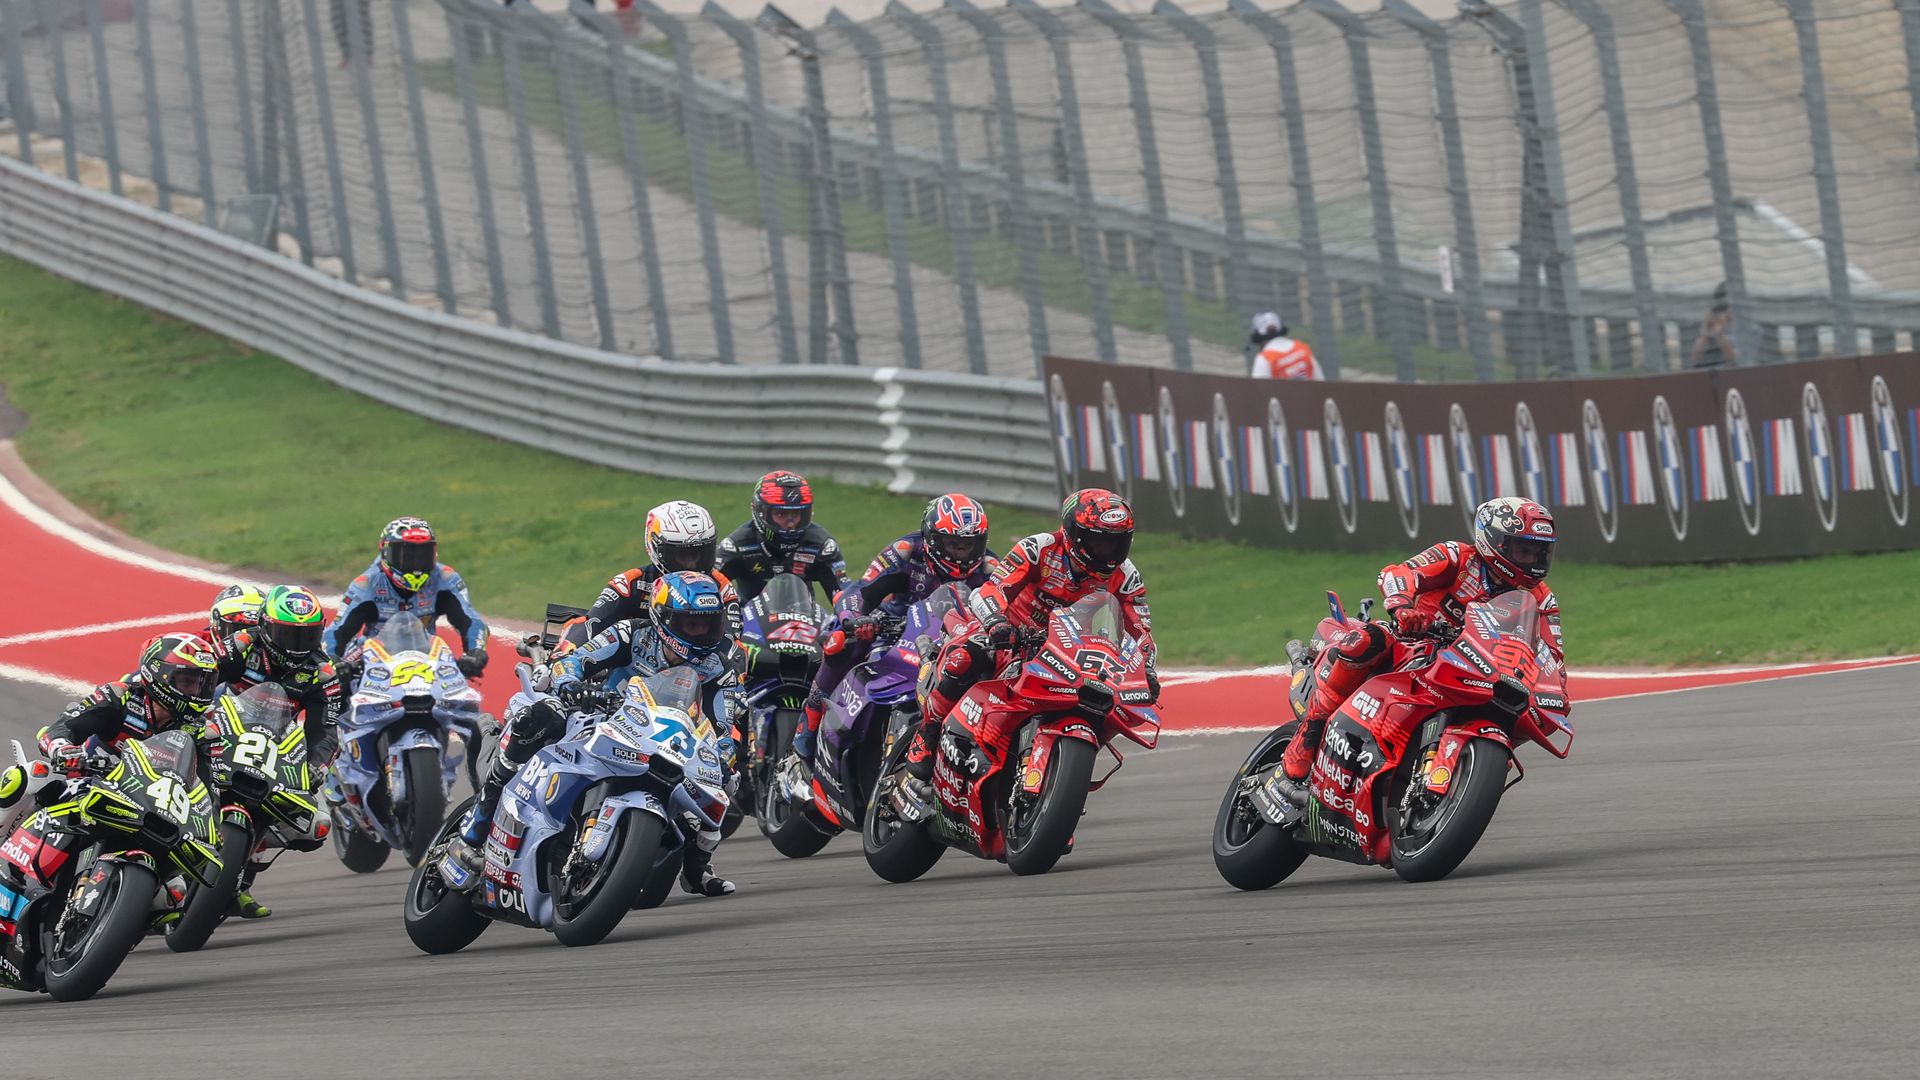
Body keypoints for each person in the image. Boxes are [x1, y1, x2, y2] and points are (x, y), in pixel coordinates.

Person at [451, 571, 742, 898]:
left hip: (664, 742)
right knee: (539, 716)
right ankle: (473, 832)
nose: (703, 633)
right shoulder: (632, 634)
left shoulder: (719, 670)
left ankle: (697, 868)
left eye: (709, 624)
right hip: (601, 718)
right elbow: (573, 662)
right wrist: (573, 685)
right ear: (665, 619)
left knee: (725, 785)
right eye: (692, 624)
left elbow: (722, 728)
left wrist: (723, 758)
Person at [1271, 496, 1565, 807]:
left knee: (1518, 712)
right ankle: (1305, 745)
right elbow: (1398, 574)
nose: (1532, 559)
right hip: (1415, 645)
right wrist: (1402, 608)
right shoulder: (1458, 557)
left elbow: (1551, 656)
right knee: (1368, 640)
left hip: (1479, 670)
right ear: (1493, 542)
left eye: (1540, 551)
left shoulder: (1543, 601)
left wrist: (1555, 691)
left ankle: (1452, 779)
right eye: (1524, 549)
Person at [903, 489, 1158, 799]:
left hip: (1071, 652)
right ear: (1074, 534)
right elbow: (989, 591)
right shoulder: (1039, 549)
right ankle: (927, 736)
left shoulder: (1127, 576)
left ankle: (1058, 785)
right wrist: (996, 623)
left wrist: (1147, 668)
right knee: (964, 658)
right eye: (1100, 541)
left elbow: (1141, 631)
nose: (1108, 551)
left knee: (1111, 704)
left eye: (1117, 542)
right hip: (1009, 637)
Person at [792, 493, 994, 764]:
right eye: (953, 544)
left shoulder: (992, 568)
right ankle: (811, 718)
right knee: (843, 641)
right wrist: (854, 618)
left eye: (968, 546)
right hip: (894, 630)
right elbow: (862, 589)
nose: (960, 553)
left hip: (955, 645)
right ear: (932, 539)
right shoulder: (905, 551)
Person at [206, 585, 343, 919]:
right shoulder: (242, 644)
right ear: (265, 626)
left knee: (314, 825)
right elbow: (201, 679)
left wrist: (314, 767)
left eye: (305, 636)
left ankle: (240, 880)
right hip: (218, 726)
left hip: (276, 741)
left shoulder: (323, 672)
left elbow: (326, 729)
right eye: (287, 634)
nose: (296, 646)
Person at [325, 517, 489, 676]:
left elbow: (470, 619)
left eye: (423, 556)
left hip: (427, 658)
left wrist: (475, 651)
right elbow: (338, 631)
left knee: (464, 697)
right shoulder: (366, 584)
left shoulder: (446, 578)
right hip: (371, 661)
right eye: (407, 556)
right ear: (386, 553)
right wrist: (333, 661)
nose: (416, 564)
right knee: (337, 684)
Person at [37, 633, 222, 767]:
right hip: (85, 783)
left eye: (204, 684)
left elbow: (209, 794)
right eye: (188, 682)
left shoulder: (203, 732)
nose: (198, 692)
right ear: (159, 673)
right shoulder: (120, 696)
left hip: (148, 810)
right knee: (27, 776)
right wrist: (61, 749)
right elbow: (58, 730)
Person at [581, 500, 741, 641]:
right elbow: (587, 627)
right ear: (656, 549)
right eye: (683, 554)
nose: (692, 566)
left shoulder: (722, 587)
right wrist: (567, 655)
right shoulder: (628, 584)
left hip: (698, 672)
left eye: (701, 554)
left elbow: (733, 645)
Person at [716, 471, 848, 607]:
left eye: (796, 514)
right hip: (748, 625)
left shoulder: (821, 545)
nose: (790, 523)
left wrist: (850, 614)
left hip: (805, 625)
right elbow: (709, 588)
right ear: (761, 512)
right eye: (781, 514)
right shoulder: (737, 545)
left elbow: (843, 593)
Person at [1247, 310, 1323, 381]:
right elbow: (1321, 383)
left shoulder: (1264, 358)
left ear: (1257, 337)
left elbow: (1259, 392)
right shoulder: (1302, 348)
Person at [1689, 283, 1733, 370]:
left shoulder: (1750, 331)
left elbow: (1732, 359)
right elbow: (1696, 359)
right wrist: (1707, 332)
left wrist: (1719, 334)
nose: (1721, 314)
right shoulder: (1711, 329)